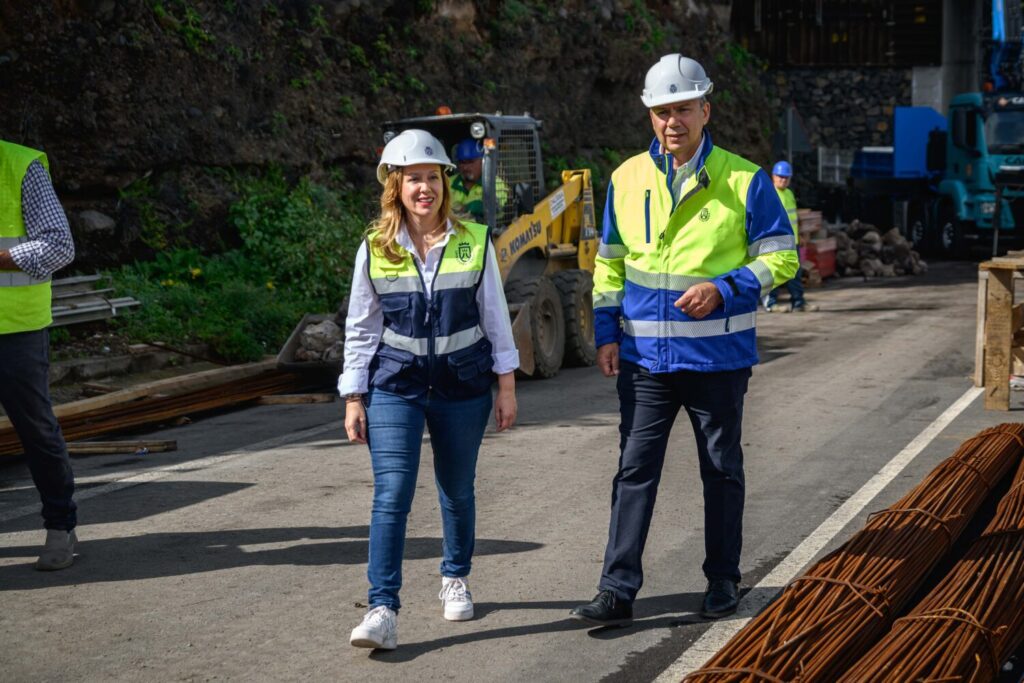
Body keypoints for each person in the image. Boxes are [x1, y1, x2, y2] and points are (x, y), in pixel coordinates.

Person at [569, 54, 798, 626]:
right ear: (650, 116)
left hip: (717, 359)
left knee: (721, 470)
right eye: (662, 111)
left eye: (683, 109)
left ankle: (723, 579)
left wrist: (727, 287)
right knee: (633, 471)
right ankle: (616, 592)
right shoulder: (626, 178)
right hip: (645, 360)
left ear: (705, 110)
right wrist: (605, 333)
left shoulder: (744, 179)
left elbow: (783, 258)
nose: (673, 121)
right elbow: (611, 266)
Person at [339, 129, 519, 650]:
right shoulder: (374, 248)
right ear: (395, 186)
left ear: (445, 182)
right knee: (391, 494)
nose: (424, 188)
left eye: (432, 177)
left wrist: (505, 386)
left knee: (456, 490)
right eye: (413, 178)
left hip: (463, 386)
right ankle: (382, 609)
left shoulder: (474, 240)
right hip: (395, 385)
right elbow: (361, 327)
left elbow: (496, 319)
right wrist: (354, 395)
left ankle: (455, 575)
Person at [0, 140, 78, 570]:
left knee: (36, 432)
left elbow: (58, 246)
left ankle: (60, 525)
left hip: (15, 329)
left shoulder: (20, 165)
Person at [764, 160, 816, 313]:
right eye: (780, 177)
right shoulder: (769, 194)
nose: (783, 180)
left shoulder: (789, 194)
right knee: (774, 273)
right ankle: (771, 303)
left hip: (793, 242)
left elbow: (794, 218)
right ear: (773, 176)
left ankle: (798, 303)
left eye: (786, 177)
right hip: (776, 242)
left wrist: (800, 235)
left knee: (795, 274)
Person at [449, 138, 507, 223]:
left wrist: (468, 208)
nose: (465, 167)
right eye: (462, 162)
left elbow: (494, 206)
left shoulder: (495, 182)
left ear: (482, 161)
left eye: (470, 162)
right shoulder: (448, 182)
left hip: (487, 232)